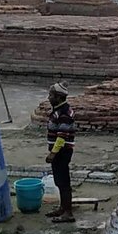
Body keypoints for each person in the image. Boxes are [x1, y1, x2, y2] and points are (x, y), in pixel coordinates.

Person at [45, 85, 77, 223]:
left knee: (64, 182)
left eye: (51, 96)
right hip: (60, 151)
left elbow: (61, 136)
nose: (49, 98)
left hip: (62, 151)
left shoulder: (64, 113)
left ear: (58, 97)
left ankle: (68, 212)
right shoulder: (59, 110)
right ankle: (63, 208)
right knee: (59, 180)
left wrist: (53, 153)